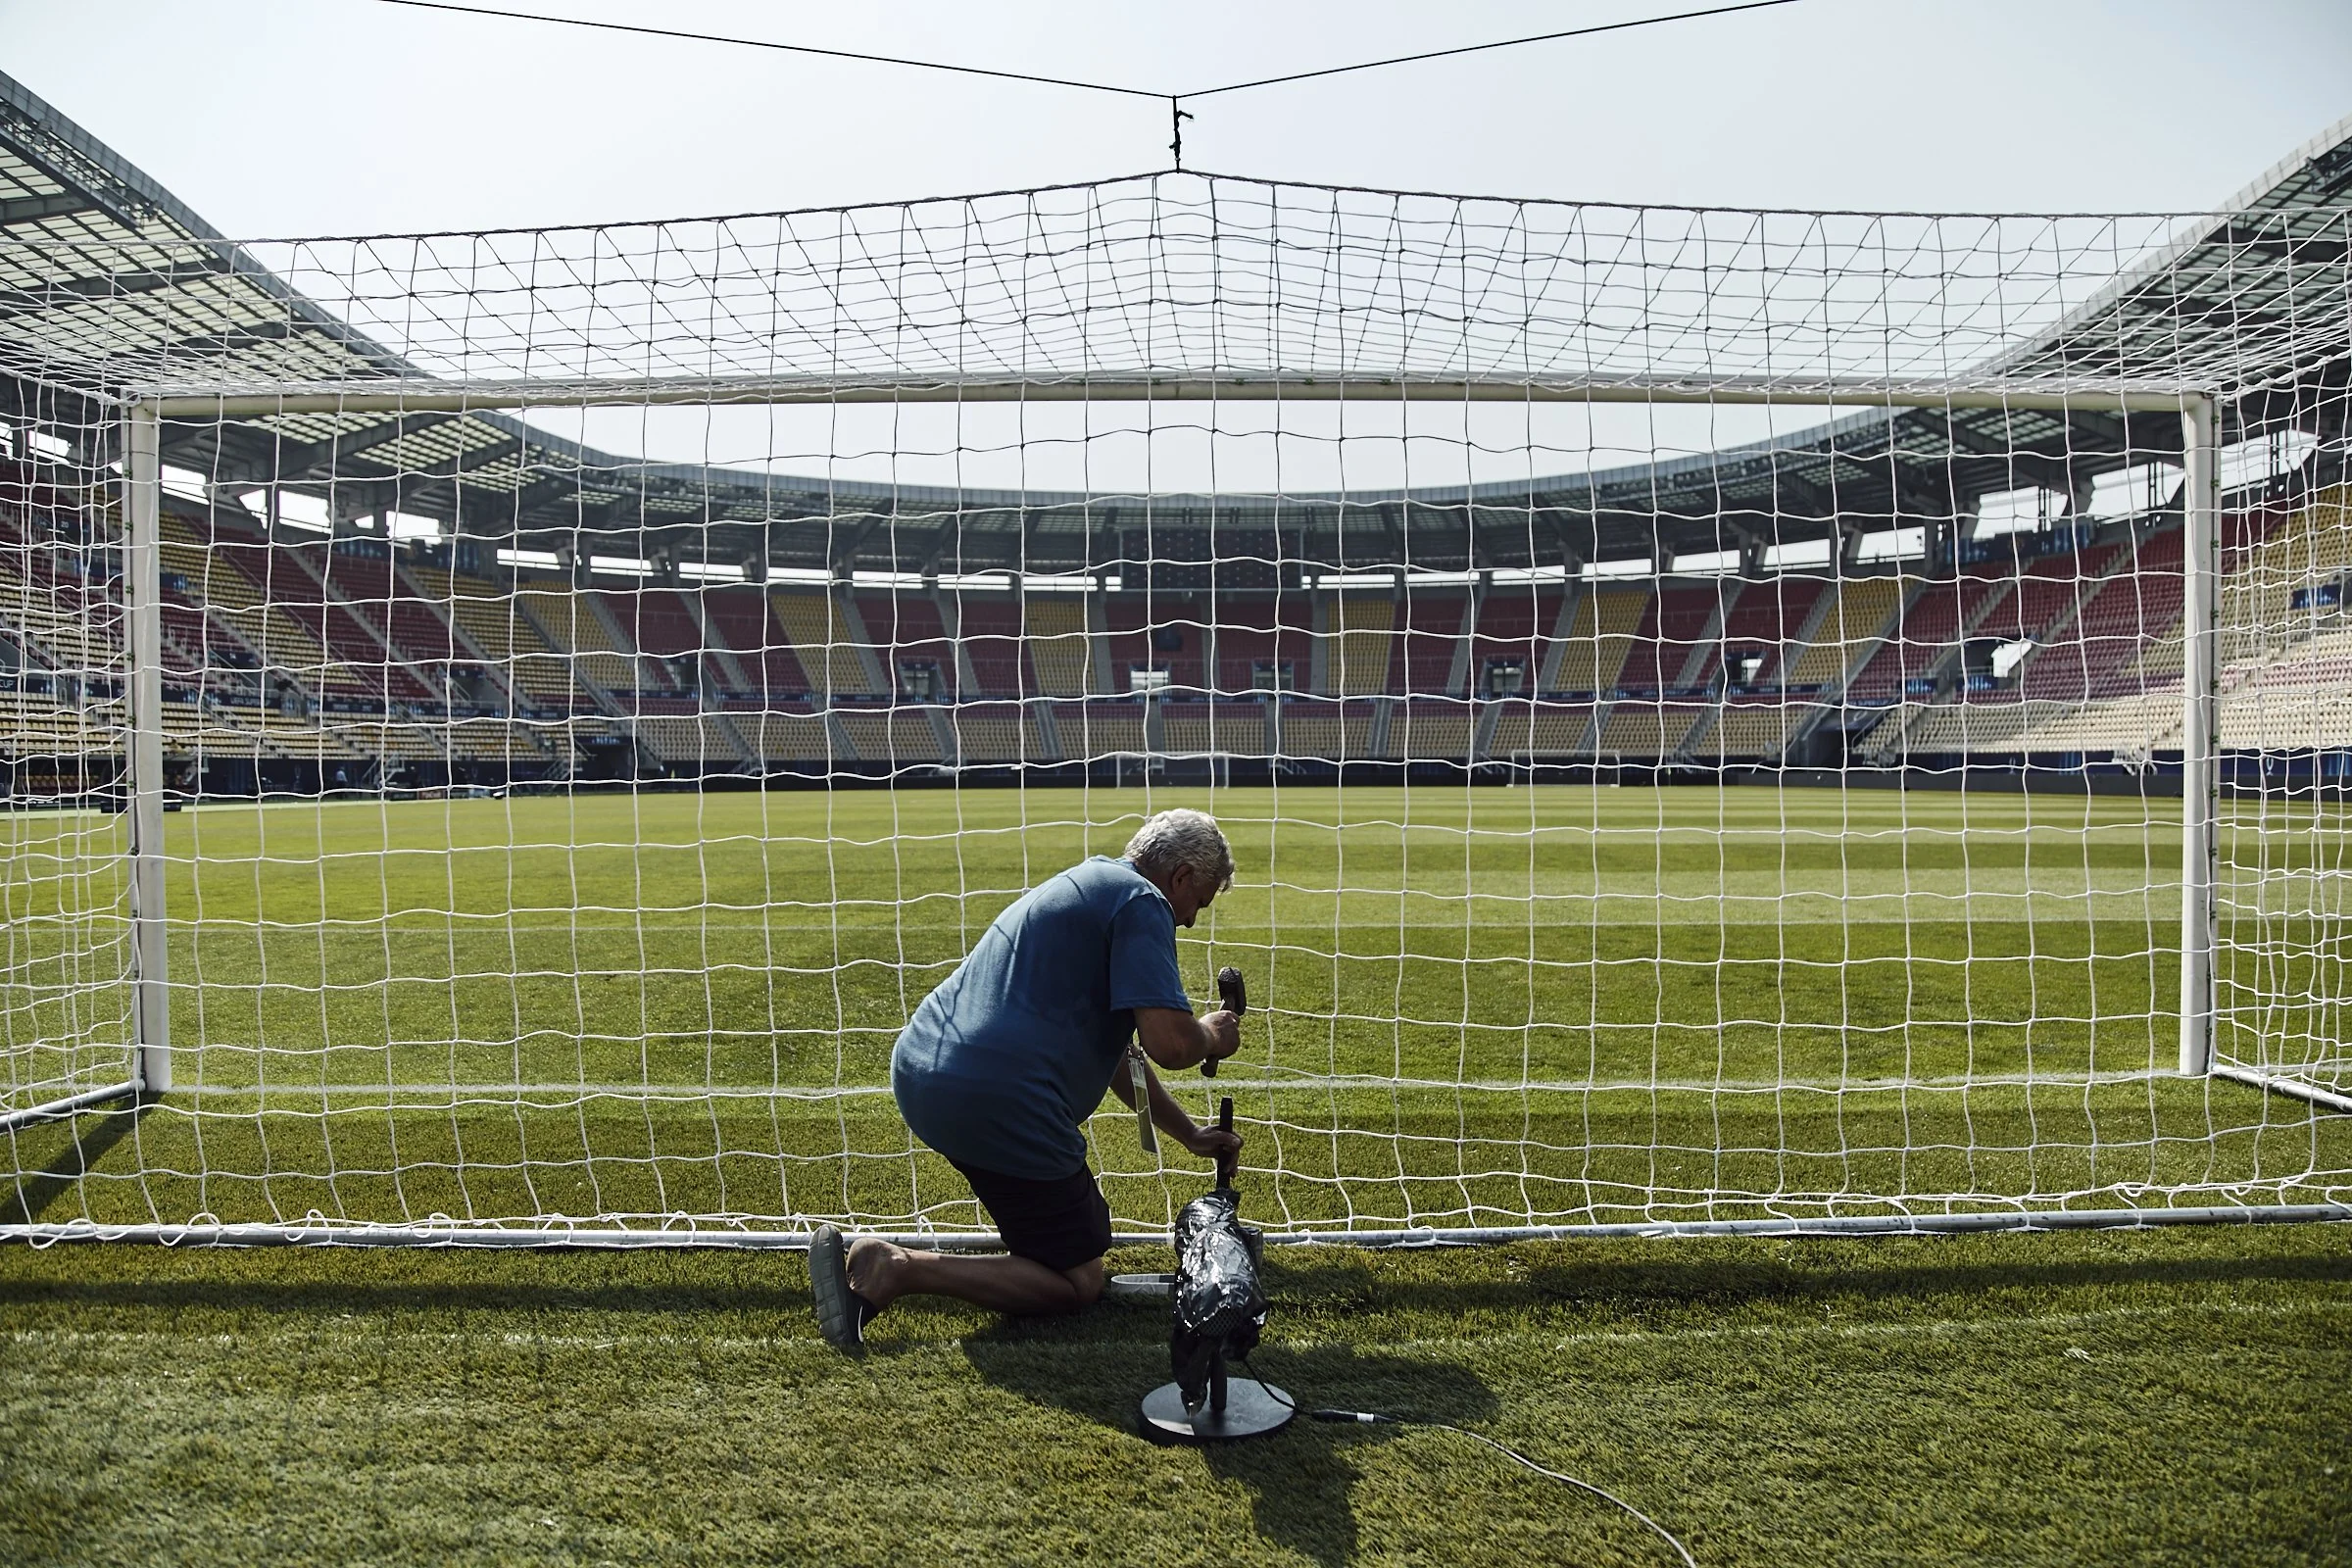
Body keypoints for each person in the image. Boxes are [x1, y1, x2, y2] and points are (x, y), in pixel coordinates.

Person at [808, 808, 1244, 1349]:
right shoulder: (1142, 902)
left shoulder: (1089, 882)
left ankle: (943, 1260)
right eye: (1197, 902)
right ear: (1179, 877)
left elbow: (1117, 1056)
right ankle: (894, 1267)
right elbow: (1171, 1044)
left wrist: (1190, 1134)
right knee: (1077, 1279)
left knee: (1072, 1233)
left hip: (925, 1069)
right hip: (997, 1097)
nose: (1191, 920)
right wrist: (1211, 1034)